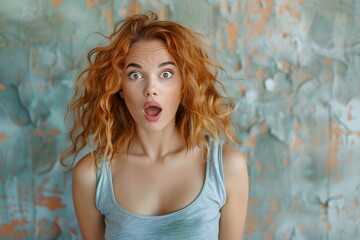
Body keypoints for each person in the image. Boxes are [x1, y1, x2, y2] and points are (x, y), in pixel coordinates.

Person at [61, 11, 248, 240]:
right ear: (120, 87)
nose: (151, 88)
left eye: (166, 73)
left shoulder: (227, 167)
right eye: (135, 75)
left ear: (184, 84)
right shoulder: (91, 175)